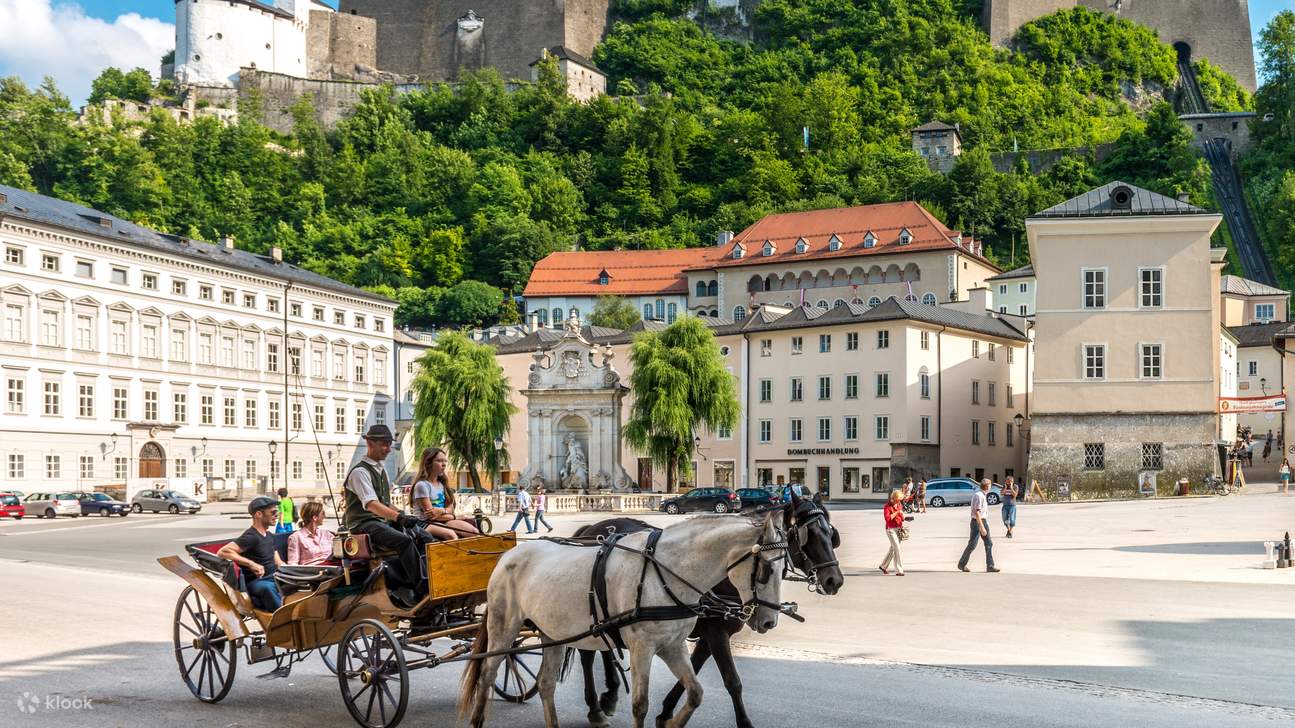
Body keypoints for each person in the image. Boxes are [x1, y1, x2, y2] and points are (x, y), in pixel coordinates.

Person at [343, 424, 433, 605]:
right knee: (404, 541)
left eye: (389, 444)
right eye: (384, 444)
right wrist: (398, 517)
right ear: (370, 443)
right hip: (363, 524)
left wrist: (402, 514)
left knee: (425, 536)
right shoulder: (360, 472)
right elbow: (371, 504)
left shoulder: (380, 470)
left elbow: (384, 502)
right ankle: (422, 588)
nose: (388, 449)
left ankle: (427, 577)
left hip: (380, 521)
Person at [218, 496, 285, 611]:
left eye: (277, 512)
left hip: (274, 577)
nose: (277, 515)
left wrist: (295, 571)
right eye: (273, 512)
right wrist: (251, 563)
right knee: (268, 588)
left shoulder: (269, 536)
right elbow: (223, 551)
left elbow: (278, 562)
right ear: (259, 514)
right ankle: (283, 620)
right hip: (258, 582)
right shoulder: (251, 536)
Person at [410, 447, 480, 540]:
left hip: (443, 520)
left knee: (474, 532)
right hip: (425, 523)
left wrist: (442, 511)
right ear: (428, 463)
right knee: (451, 535)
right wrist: (455, 517)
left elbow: (450, 508)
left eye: (445, 461)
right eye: (439, 461)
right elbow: (432, 516)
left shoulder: (442, 484)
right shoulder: (422, 485)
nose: (443, 464)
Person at [957, 479, 999, 573]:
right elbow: (977, 512)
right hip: (977, 522)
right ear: (987, 486)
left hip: (983, 521)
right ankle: (962, 564)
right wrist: (982, 527)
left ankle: (990, 566)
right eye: (990, 485)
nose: (991, 487)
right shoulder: (979, 496)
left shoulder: (983, 495)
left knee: (989, 543)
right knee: (972, 544)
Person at [287, 501, 335, 566]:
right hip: (313, 572)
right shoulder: (296, 537)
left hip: (332, 568)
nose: (325, 516)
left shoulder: (326, 534)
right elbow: (292, 564)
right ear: (315, 517)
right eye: (323, 513)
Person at [879, 489, 906, 576]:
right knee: (897, 548)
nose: (899, 502)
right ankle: (899, 570)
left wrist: (903, 517)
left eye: (899, 500)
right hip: (890, 530)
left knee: (893, 549)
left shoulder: (899, 504)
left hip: (898, 528)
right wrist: (897, 512)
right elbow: (888, 518)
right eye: (898, 500)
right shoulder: (887, 506)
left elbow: (901, 517)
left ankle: (883, 566)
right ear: (893, 498)